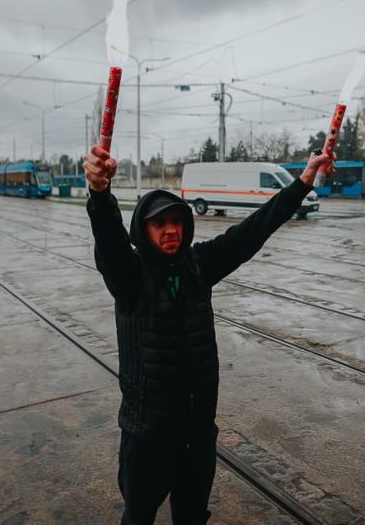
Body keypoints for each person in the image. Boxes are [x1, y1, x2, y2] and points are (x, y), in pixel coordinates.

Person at [84, 145, 333, 525]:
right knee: (138, 516)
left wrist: (303, 181)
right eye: (159, 223)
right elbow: (109, 240)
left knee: (192, 516)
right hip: (147, 436)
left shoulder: (199, 264)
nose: (171, 231)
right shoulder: (130, 276)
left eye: (177, 222)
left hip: (197, 433)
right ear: (143, 230)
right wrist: (100, 194)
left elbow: (254, 230)